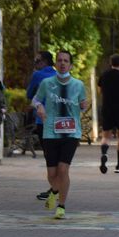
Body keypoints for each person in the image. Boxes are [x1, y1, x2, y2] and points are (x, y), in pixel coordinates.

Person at [33, 50, 87, 220]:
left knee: (63, 170)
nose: (63, 63)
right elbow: (35, 99)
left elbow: (83, 104)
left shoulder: (78, 85)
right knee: (52, 174)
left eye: (66, 61)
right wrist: (39, 107)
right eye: (60, 60)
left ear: (70, 65)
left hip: (71, 132)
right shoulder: (46, 83)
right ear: (56, 64)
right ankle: (54, 190)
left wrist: (83, 105)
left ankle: (61, 205)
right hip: (50, 132)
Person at [28, 51, 57, 201]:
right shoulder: (59, 75)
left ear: (43, 61)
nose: (35, 64)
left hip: (43, 120)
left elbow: (29, 94)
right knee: (59, 156)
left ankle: (54, 188)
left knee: (49, 156)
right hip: (59, 122)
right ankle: (58, 187)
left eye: (37, 61)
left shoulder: (38, 75)